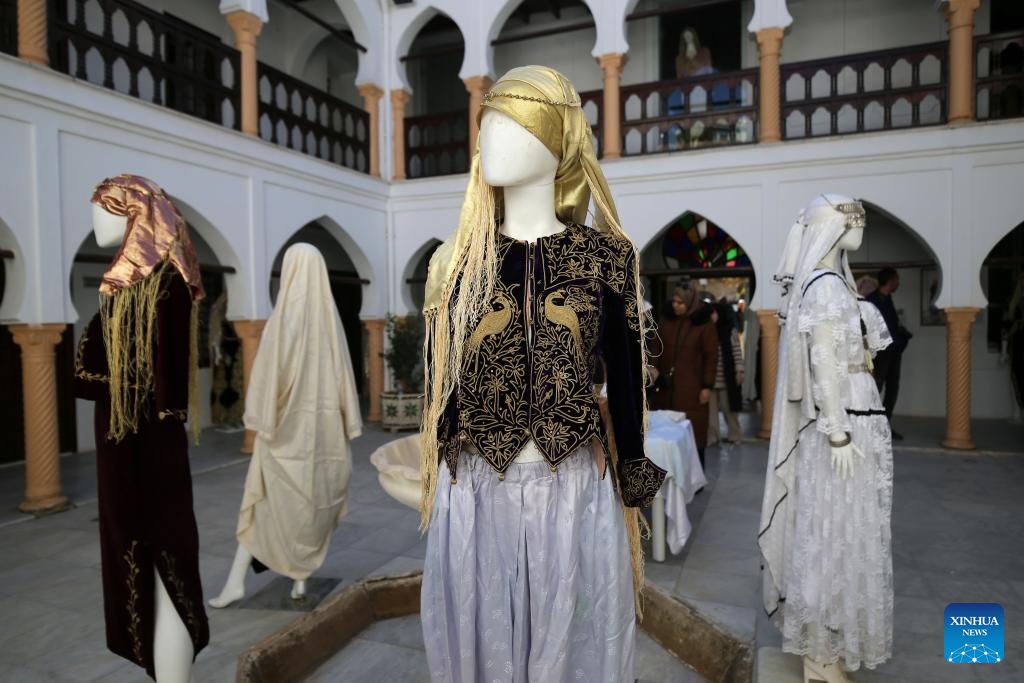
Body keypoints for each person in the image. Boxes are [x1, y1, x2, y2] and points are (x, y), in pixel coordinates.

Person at [419, 66, 665, 683]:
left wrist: (631, 459)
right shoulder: (457, 261)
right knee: (483, 635)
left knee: (571, 631)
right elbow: (439, 379)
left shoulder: (607, 256)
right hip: (477, 484)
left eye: (508, 125)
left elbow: (628, 376)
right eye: (486, 127)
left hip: (573, 485)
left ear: (555, 140)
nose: (488, 142)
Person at [74, 174, 209, 681]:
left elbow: (161, 387)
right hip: (128, 440)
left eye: (106, 209)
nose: (97, 222)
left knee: (160, 553)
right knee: (144, 555)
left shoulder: (163, 285)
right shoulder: (135, 284)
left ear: (135, 215)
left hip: (144, 445)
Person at [758, 194, 894, 682]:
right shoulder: (825, 289)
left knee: (846, 535)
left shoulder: (835, 284)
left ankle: (830, 648)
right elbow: (822, 364)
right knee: (830, 536)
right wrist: (837, 433)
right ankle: (819, 657)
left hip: (858, 419)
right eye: (851, 217)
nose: (859, 224)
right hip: (844, 427)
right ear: (833, 227)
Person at [208, 243, 363, 608]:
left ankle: (240, 583)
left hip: (283, 434)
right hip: (325, 434)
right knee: (310, 508)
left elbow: (267, 373)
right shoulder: (330, 321)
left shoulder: (287, 316)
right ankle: (297, 583)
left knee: (261, 506)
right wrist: (350, 424)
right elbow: (344, 376)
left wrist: (261, 420)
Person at [654, 284, 719, 466]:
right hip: (666, 388)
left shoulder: (703, 324)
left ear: (690, 302)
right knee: (666, 433)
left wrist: (707, 386)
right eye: (674, 301)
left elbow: (711, 357)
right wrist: (654, 373)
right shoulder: (667, 320)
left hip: (692, 389)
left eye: (680, 302)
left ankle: (695, 480)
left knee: (693, 433)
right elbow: (656, 349)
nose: (676, 306)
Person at [867, 267, 911, 439]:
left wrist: (900, 336)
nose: (898, 283)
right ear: (891, 281)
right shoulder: (872, 301)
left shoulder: (887, 299)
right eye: (897, 280)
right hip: (881, 354)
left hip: (893, 352)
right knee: (875, 390)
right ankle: (871, 428)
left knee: (893, 389)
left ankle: (884, 427)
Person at [708, 300, 744, 445]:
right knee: (711, 414)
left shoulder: (730, 331)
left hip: (726, 378)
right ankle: (712, 438)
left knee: (729, 410)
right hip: (710, 378)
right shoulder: (708, 330)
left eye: (714, 313)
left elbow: (736, 352)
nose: (712, 316)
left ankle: (734, 435)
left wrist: (739, 371)